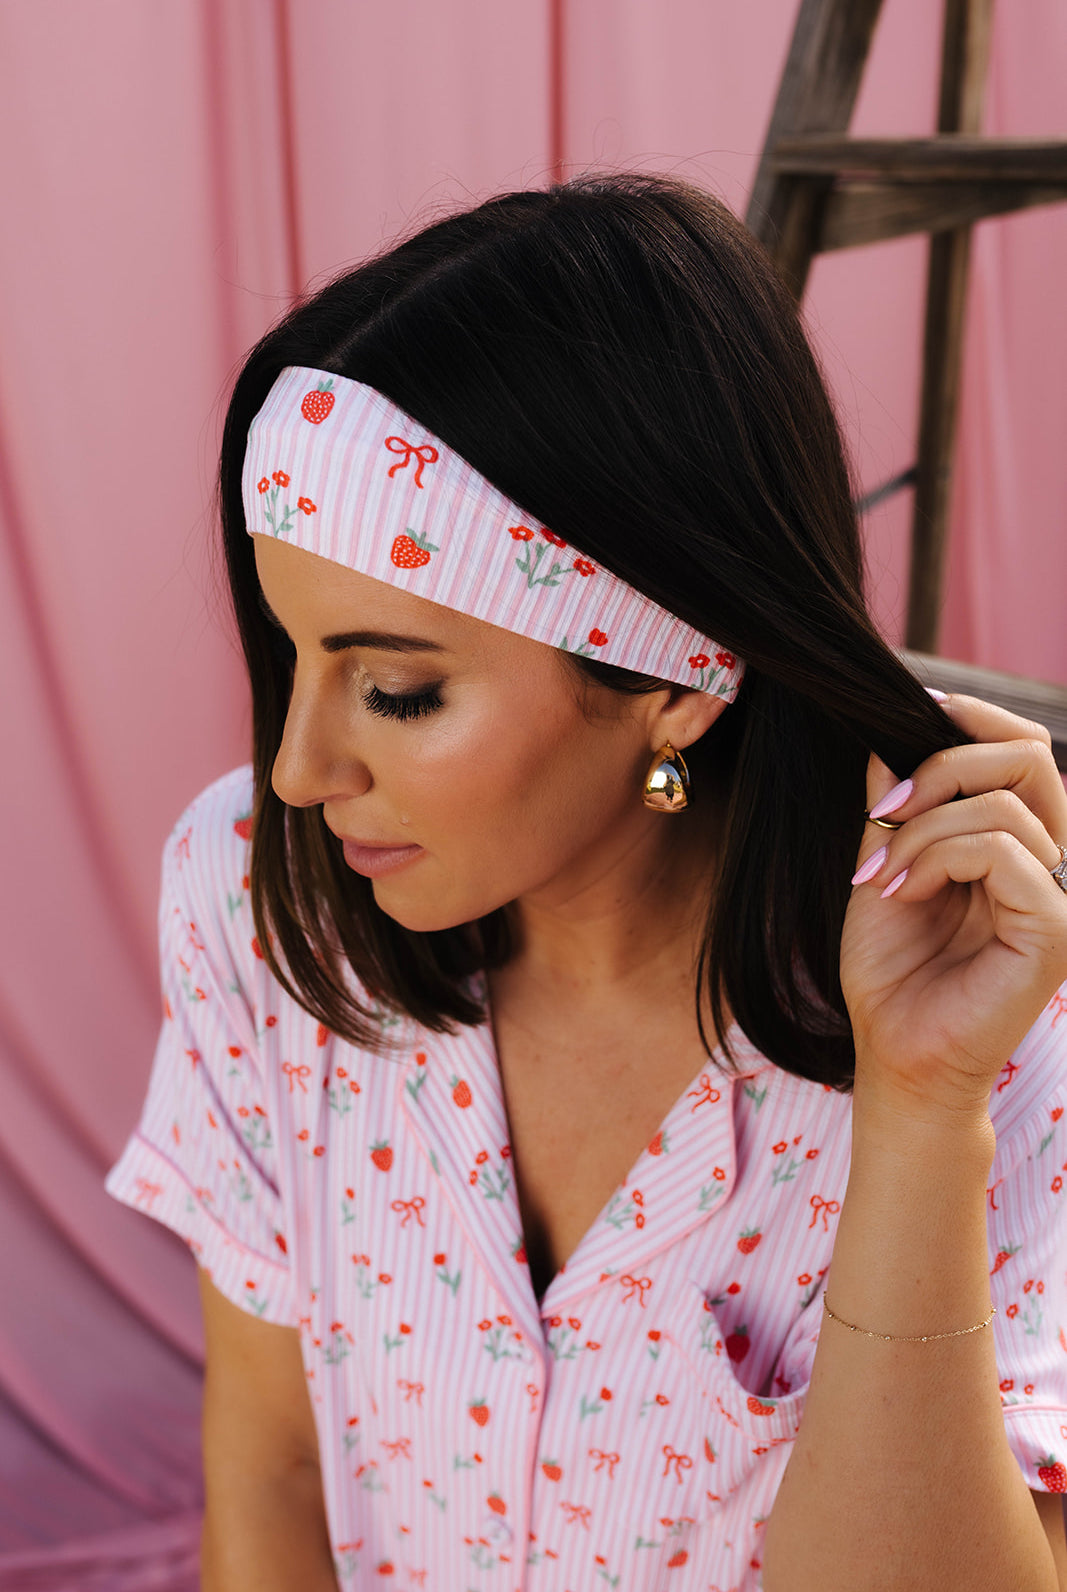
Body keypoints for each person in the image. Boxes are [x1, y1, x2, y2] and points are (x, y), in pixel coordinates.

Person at [105, 173, 1067, 1592]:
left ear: (674, 680)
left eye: (398, 691)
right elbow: (273, 1472)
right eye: (291, 655)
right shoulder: (261, 899)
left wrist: (923, 1116)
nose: (299, 770)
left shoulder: (998, 1012)